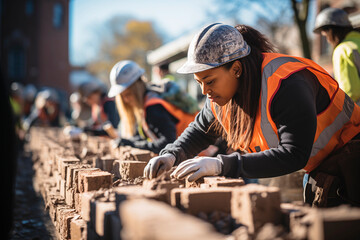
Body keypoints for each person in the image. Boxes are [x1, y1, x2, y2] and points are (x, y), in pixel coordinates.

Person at [144, 23, 360, 207]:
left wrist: (221, 165)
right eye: (199, 83)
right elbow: (200, 130)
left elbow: (294, 153)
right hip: (319, 166)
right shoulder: (222, 97)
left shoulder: (287, 84)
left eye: (209, 81)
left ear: (236, 69)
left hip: (352, 156)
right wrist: (172, 154)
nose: (204, 92)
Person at [108, 60, 199, 154]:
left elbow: (168, 143)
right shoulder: (149, 100)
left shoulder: (153, 107)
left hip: (200, 152)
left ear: (138, 86)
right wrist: (129, 141)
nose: (126, 100)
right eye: (122, 97)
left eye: (128, 94)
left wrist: (132, 144)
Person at [314, 7, 360, 105]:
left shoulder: (342, 50)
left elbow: (350, 93)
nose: (327, 40)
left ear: (331, 31)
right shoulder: (357, 42)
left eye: (325, 34)